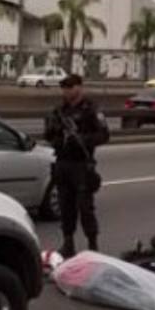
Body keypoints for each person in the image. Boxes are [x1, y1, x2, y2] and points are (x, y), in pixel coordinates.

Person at [45, 73, 110, 258]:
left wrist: (82, 139)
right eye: (64, 88)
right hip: (63, 163)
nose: (66, 91)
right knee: (65, 207)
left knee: (85, 208)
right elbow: (48, 135)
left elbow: (104, 135)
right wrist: (57, 135)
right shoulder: (59, 111)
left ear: (79, 87)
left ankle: (92, 246)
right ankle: (68, 244)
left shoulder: (90, 109)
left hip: (82, 164)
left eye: (70, 87)